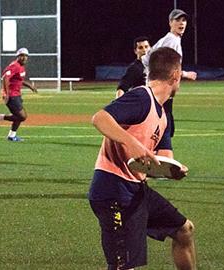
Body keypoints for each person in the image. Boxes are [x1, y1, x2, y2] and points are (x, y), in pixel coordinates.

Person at [88, 47, 196, 270]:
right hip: (112, 192)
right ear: (176, 75)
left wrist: (174, 170)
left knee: (184, 230)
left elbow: (164, 159)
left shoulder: (163, 116)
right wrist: (132, 143)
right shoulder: (141, 97)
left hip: (137, 191)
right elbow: (100, 118)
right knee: (122, 266)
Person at [142, 9, 197, 138]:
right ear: (170, 22)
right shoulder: (171, 40)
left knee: (164, 128)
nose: (181, 23)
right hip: (161, 90)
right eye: (177, 20)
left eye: (184, 20)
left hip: (158, 89)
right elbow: (165, 65)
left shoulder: (170, 39)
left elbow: (145, 59)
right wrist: (185, 74)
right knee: (165, 130)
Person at [0, 47, 37, 142]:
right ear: (18, 56)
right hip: (11, 95)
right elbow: (5, 78)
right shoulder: (15, 66)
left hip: (17, 94)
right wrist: (7, 94)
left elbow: (19, 79)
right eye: (22, 56)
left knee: (18, 116)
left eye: (26, 56)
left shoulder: (21, 67)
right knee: (22, 116)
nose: (24, 58)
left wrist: (29, 86)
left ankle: (12, 136)